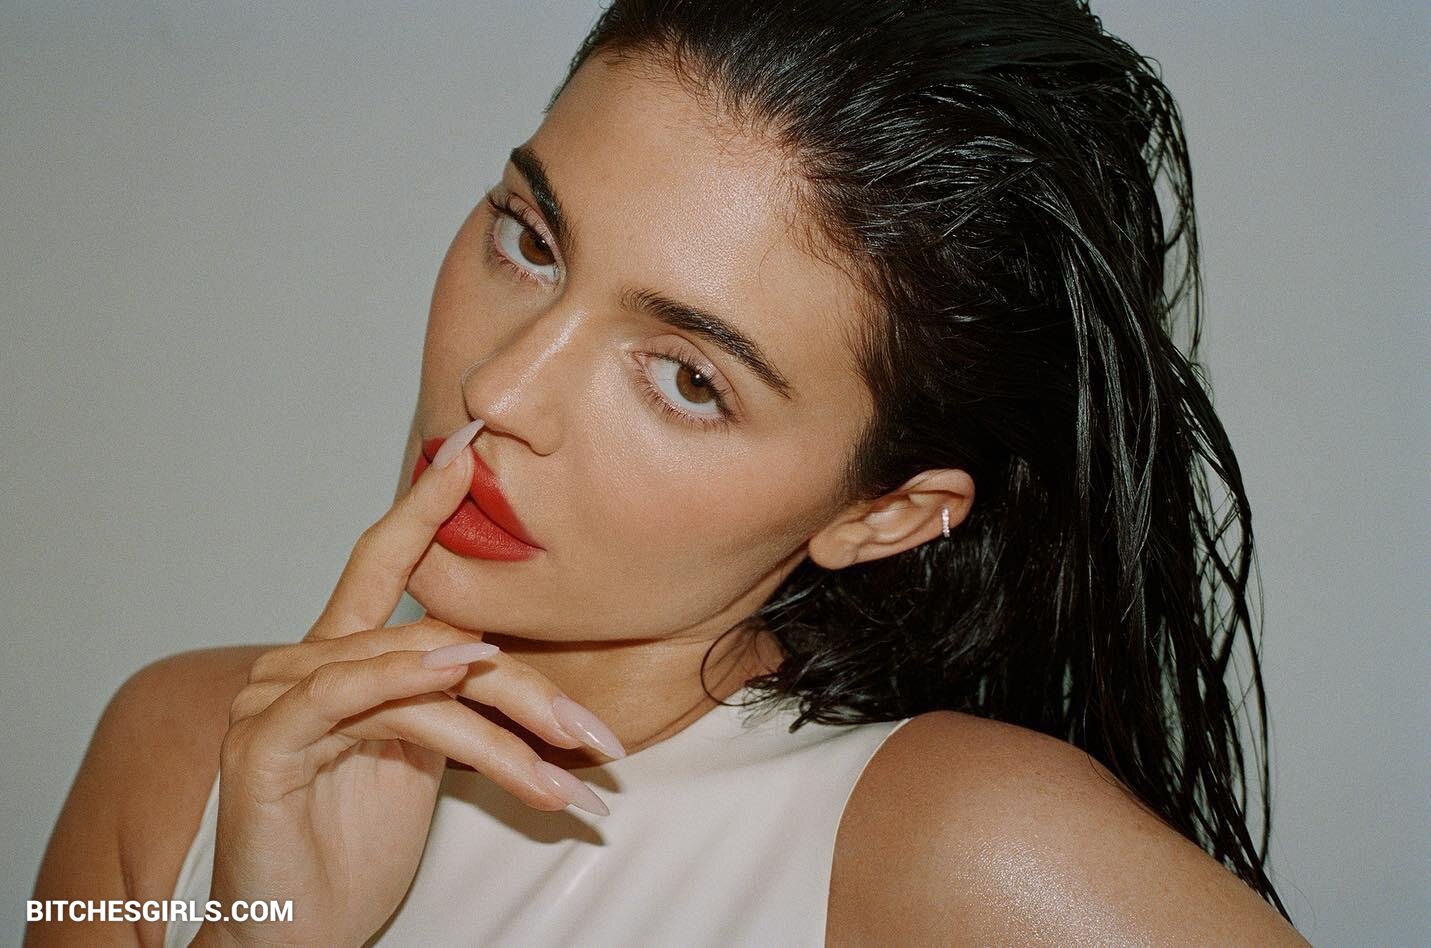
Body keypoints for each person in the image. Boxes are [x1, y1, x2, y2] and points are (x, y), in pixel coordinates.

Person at [30, 0, 1311, 944]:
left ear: (887, 513)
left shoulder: (953, 845)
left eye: (690, 378)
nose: (500, 391)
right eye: (531, 241)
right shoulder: (182, 750)